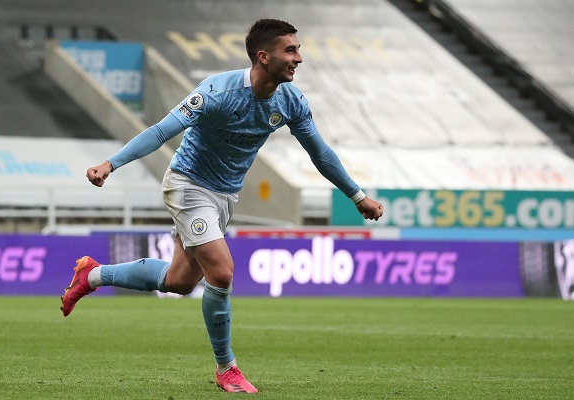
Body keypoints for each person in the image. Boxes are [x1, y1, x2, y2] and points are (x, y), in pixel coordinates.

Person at [61, 18, 383, 394]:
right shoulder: (216, 91)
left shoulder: (291, 101)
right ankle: (226, 367)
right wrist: (110, 164)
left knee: (180, 281)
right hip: (188, 185)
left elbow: (320, 154)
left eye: (298, 50)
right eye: (290, 50)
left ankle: (93, 274)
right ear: (263, 57)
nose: (299, 58)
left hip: (225, 196)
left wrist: (357, 195)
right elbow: (162, 130)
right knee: (223, 273)